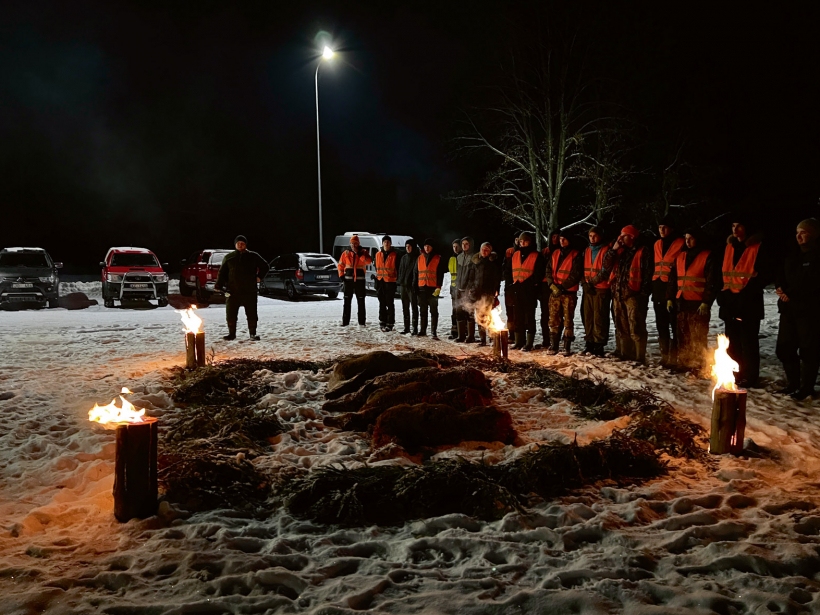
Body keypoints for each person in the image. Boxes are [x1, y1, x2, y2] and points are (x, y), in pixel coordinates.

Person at [716, 216, 772, 388]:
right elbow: (723, 274)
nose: (735, 229)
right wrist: (722, 295)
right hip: (730, 302)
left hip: (749, 303)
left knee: (748, 343)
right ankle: (735, 374)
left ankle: (750, 376)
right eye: (733, 225)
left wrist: (752, 285)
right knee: (732, 343)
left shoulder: (758, 248)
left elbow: (764, 274)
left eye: (739, 225)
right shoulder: (729, 247)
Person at [775, 218, 820, 400]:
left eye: (803, 232)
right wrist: (780, 288)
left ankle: (806, 387)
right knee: (784, 348)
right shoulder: (793, 255)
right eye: (797, 232)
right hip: (788, 309)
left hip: (809, 311)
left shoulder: (816, 256)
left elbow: (811, 282)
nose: (799, 236)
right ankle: (792, 383)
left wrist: (791, 293)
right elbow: (781, 274)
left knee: (809, 350)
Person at [666, 228, 718, 372]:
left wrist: (706, 302)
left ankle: (698, 366)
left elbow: (712, 282)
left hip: (698, 304)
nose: (687, 241)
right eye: (686, 238)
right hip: (682, 302)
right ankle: (683, 363)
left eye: (691, 238)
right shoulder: (681, 256)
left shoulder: (707, 256)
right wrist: (670, 298)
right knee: (682, 335)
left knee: (698, 336)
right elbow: (673, 279)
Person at [604, 225, 653, 363]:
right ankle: (625, 353)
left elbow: (647, 274)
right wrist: (613, 250)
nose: (620, 238)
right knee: (621, 325)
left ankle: (639, 357)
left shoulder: (643, 251)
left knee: (636, 326)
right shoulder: (619, 252)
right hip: (618, 294)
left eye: (623, 236)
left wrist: (642, 294)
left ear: (631, 237)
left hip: (634, 296)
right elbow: (606, 266)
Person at [214, 235, 269, 341]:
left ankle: (253, 333)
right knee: (231, 313)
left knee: (252, 313)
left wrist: (259, 277)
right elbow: (222, 272)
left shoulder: (253, 256)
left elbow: (265, 266)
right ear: (235, 245)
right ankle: (231, 334)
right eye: (238, 243)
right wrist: (218, 285)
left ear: (246, 245)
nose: (240, 245)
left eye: (242, 243)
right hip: (233, 291)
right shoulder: (229, 257)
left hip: (250, 290)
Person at [652, 217, 685, 367]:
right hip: (658, 288)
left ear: (671, 228)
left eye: (665, 227)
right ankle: (665, 355)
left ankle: (676, 356)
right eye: (660, 227)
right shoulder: (657, 244)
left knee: (674, 325)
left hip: (673, 289)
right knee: (661, 325)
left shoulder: (681, 243)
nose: (662, 230)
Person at [543, 232, 583, 355]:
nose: (561, 241)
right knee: (554, 319)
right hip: (555, 292)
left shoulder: (576, 255)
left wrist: (561, 286)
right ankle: (554, 345)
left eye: (564, 239)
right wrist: (551, 284)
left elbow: (576, 274)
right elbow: (548, 269)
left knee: (568, 320)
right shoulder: (555, 253)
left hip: (568, 293)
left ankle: (567, 346)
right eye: (561, 239)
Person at [581, 226, 613, 357]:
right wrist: (585, 283)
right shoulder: (587, 251)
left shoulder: (606, 250)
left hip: (601, 288)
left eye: (594, 235)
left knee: (599, 317)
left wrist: (591, 282)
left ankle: (599, 344)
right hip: (589, 288)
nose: (592, 238)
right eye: (590, 236)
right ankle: (589, 342)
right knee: (587, 316)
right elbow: (581, 268)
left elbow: (606, 270)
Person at [510, 231, 545, 351]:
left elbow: (539, 273)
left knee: (529, 317)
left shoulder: (537, 255)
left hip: (530, 290)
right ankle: (519, 341)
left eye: (525, 241)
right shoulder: (515, 255)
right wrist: (512, 284)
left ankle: (529, 343)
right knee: (518, 317)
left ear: (530, 242)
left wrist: (530, 284)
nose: (522, 243)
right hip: (517, 289)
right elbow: (511, 271)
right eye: (521, 241)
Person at [464, 241, 501, 346]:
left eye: (487, 249)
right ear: (480, 250)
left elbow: (496, 278)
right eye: (483, 249)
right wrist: (470, 288)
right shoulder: (475, 262)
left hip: (488, 292)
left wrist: (496, 289)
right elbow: (471, 277)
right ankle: (482, 339)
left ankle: (493, 337)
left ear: (490, 251)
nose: (484, 251)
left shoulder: (493, 263)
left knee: (488, 315)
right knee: (479, 316)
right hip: (476, 292)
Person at [413, 238, 447, 339]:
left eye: (429, 246)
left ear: (432, 247)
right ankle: (423, 330)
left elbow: (440, 274)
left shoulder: (437, 258)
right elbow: (416, 273)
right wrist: (415, 286)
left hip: (432, 289)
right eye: (425, 246)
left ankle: (433, 331)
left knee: (433, 311)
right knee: (423, 311)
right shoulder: (420, 258)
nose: (427, 248)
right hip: (422, 288)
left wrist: (438, 287)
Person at [337, 234, 372, 327]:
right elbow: (340, 265)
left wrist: (360, 254)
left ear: (358, 244)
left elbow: (368, 261)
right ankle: (345, 322)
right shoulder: (346, 253)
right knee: (347, 302)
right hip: (348, 281)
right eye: (352, 243)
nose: (354, 245)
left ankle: (362, 322)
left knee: (361, 302)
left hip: (360, 281)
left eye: (355, 243)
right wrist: (341, 276)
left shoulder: (364, 252)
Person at [455, 236, 477, 343]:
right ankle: (461, 335)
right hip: (459, 288)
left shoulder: (474, 257)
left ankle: (471, 336)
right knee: (459, 312)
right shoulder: (459, 257)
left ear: (471, 245)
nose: (464, 246)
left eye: (466, 244)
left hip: (468, 290)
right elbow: (458, 274)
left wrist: (470, 288)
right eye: (463, 244)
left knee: (469, 312)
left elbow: (474, 275)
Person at [375, 235, 398, 332]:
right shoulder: (378, 254)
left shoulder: (394, 255)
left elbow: (396, 268)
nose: (386, 244)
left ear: (390, 244)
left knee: (390, 303)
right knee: (382, 303)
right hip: (381, 281)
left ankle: (390, 323)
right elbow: (377, 267)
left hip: (390, 282)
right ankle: (382, 321)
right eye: (385, 242)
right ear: (382, 243)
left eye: (388, 242)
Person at [397, 239, 419, 335]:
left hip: (412, 286)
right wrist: (400, 282)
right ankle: (406, 328)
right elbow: (401, 270)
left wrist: (415, 284)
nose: (408, 248)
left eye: (409, 246)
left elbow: (417, 273)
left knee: (414, 307)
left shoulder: (417, 258)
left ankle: (414, 328)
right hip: (403, 286)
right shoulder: (404, 258)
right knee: (405, 307)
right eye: (406, 246)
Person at [503, 233, 520, 334]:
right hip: (509, 286)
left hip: (520, 285)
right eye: (517, 239)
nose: (518, 242)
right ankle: (511, 333)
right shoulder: (509, 251)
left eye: (520, 240)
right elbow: (505, 268)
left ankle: (519, 333)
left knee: (519, 311)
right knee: (509, 310)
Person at [448, 239, 461, 339]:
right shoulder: (452, 258)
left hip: (461, 288)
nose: (455, 248)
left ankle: (462, 331)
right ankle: (454, 331)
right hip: (454, 287)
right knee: (454, 310)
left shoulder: (463, 258)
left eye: (457, 246)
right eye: (453, 246)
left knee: (461, 310)